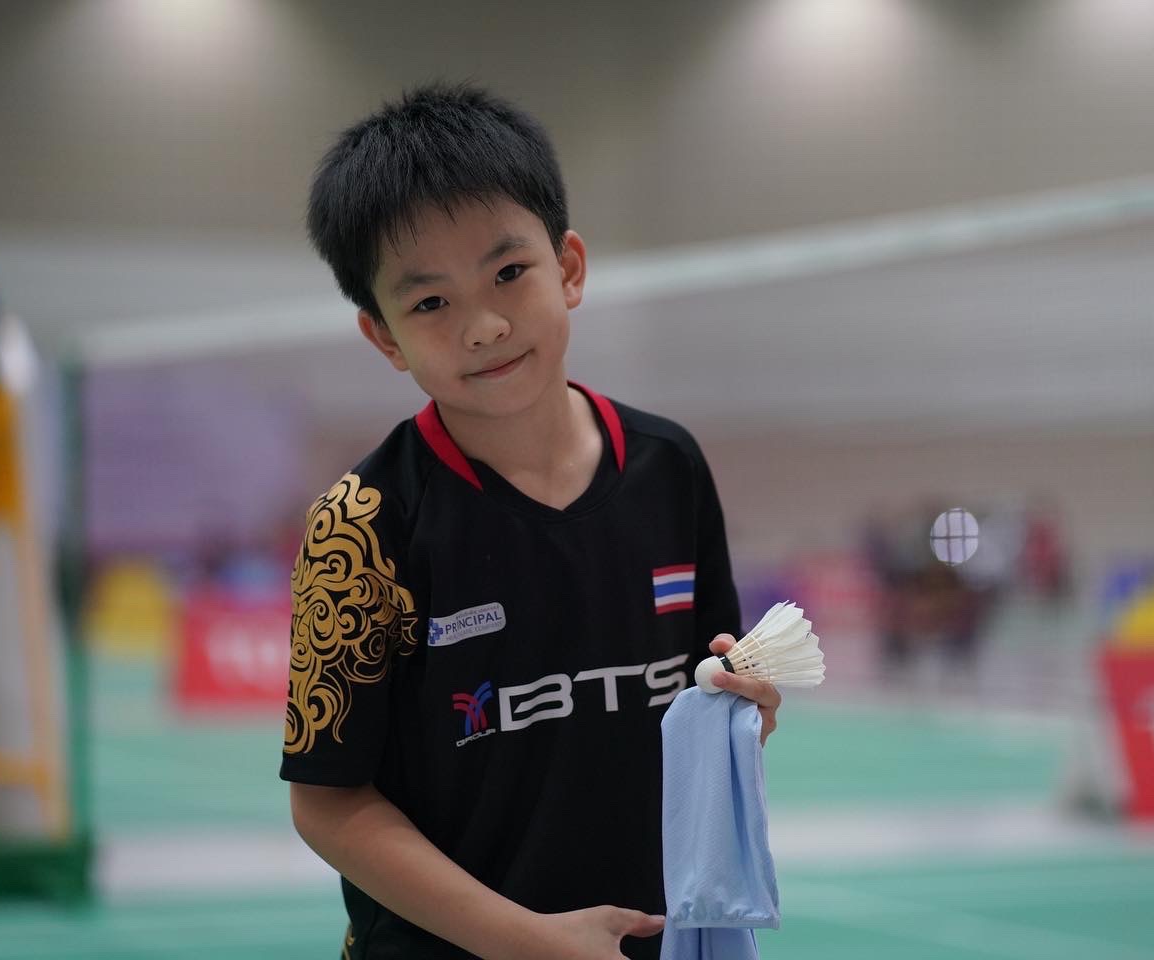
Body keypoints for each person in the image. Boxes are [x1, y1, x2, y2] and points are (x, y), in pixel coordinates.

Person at [280, 85, 781, 960]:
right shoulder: (359, 528)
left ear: (570, 268)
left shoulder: (670, 468)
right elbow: (328, 802)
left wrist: (749, 714)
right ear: (385, 337)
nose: (483, 327)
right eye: (430, 304)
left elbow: (711, 704)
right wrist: (526, 942)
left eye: (509, 273)